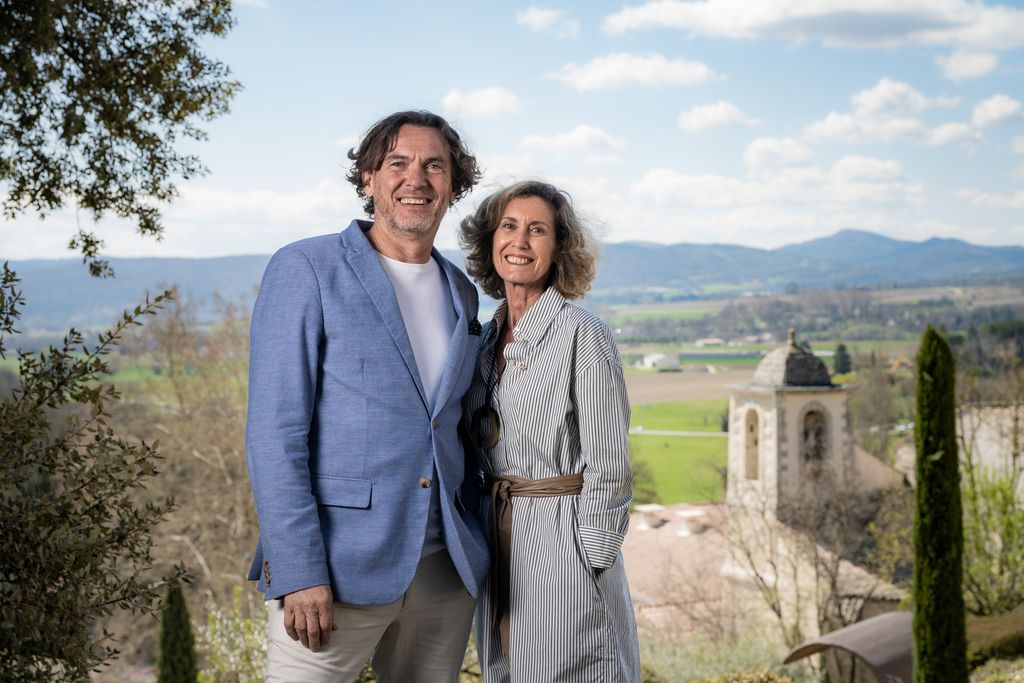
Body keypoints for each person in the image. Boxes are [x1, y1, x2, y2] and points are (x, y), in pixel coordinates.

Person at [245, 110, 490, 682]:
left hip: (444, 574)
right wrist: (300, 570)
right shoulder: (306, 268)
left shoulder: (461, 291)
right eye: (397, 163)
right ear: (368, 180)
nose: (417, 178)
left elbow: (448, 426)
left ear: (454, 185)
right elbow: (274, 433)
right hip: (336, 574)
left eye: (435, 165)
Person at [458, 181, 641, 682]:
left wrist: (592, 557)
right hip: (498, 535)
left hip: (564, 543)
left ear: (558, 248)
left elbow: (610, 463)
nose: (520, 241)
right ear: (490, 239)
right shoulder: (482, 338)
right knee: (505, 668)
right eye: (509, 227)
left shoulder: (584, 334)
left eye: (537, 230)